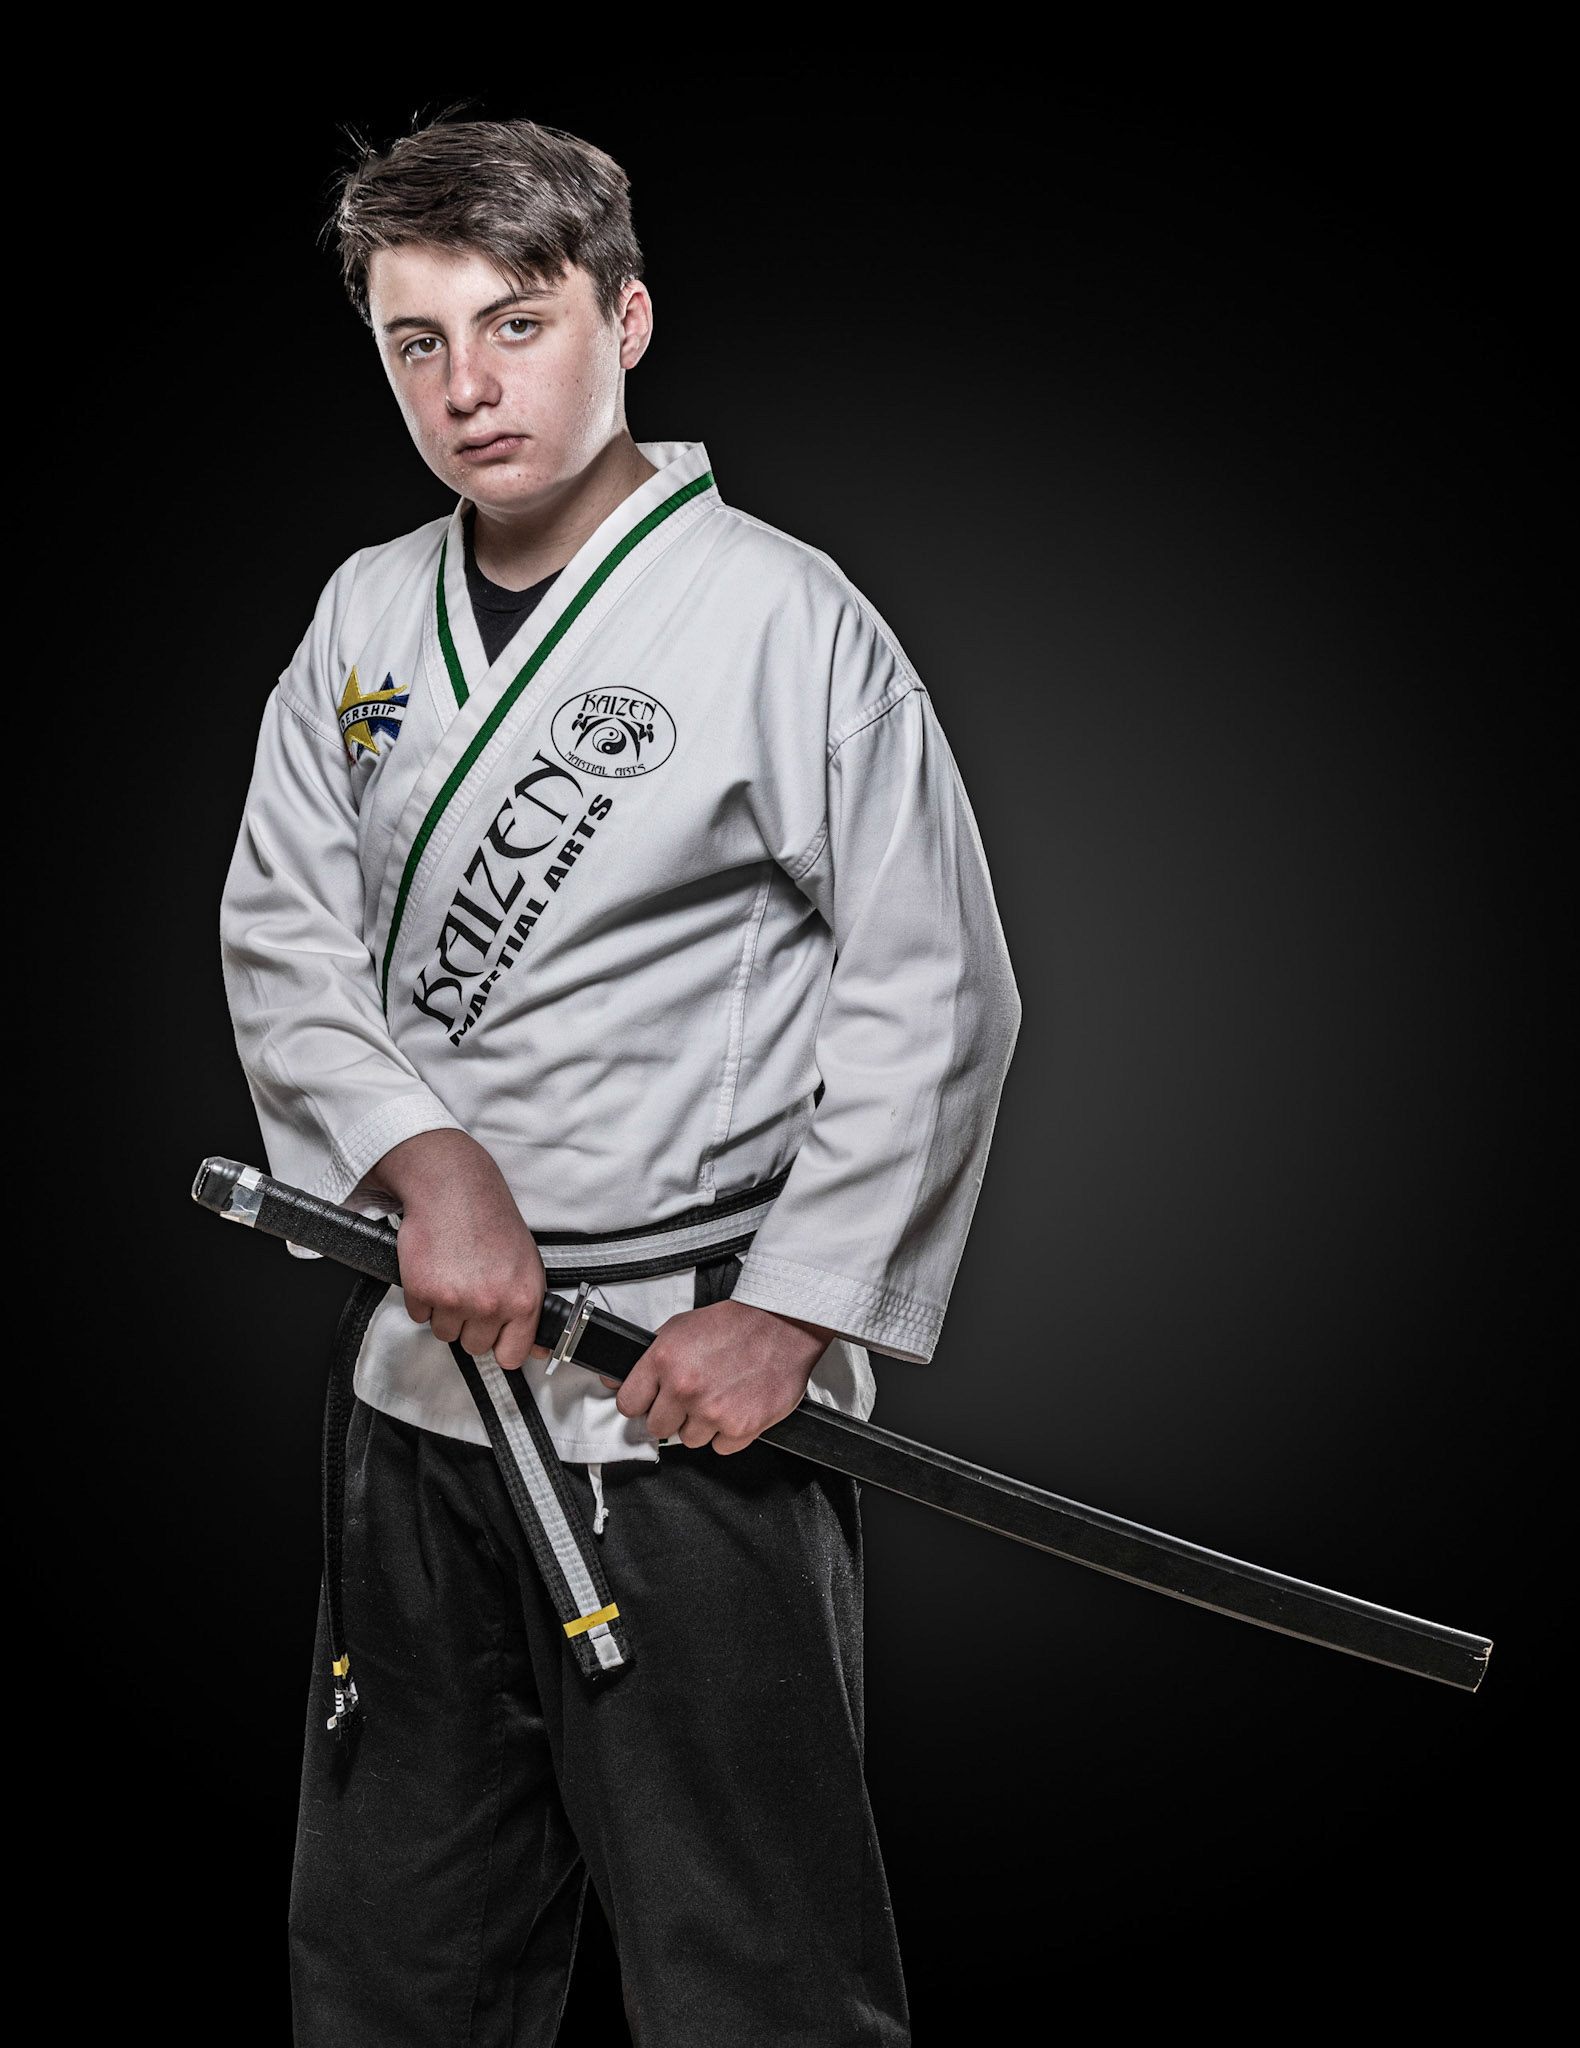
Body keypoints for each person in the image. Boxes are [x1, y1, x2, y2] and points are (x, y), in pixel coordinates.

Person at [221, 115, 1019, 2046]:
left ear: (627, 319)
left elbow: (935, 990)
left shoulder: (781, 619)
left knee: (753, 1975)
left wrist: (793, 1312)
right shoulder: (362, 613)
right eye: (417, 343)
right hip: (422, 1380)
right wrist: (427, 1165)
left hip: (681, 1401)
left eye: (519, 323)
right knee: (396, 1960)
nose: (469, 388)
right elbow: (283, 935)